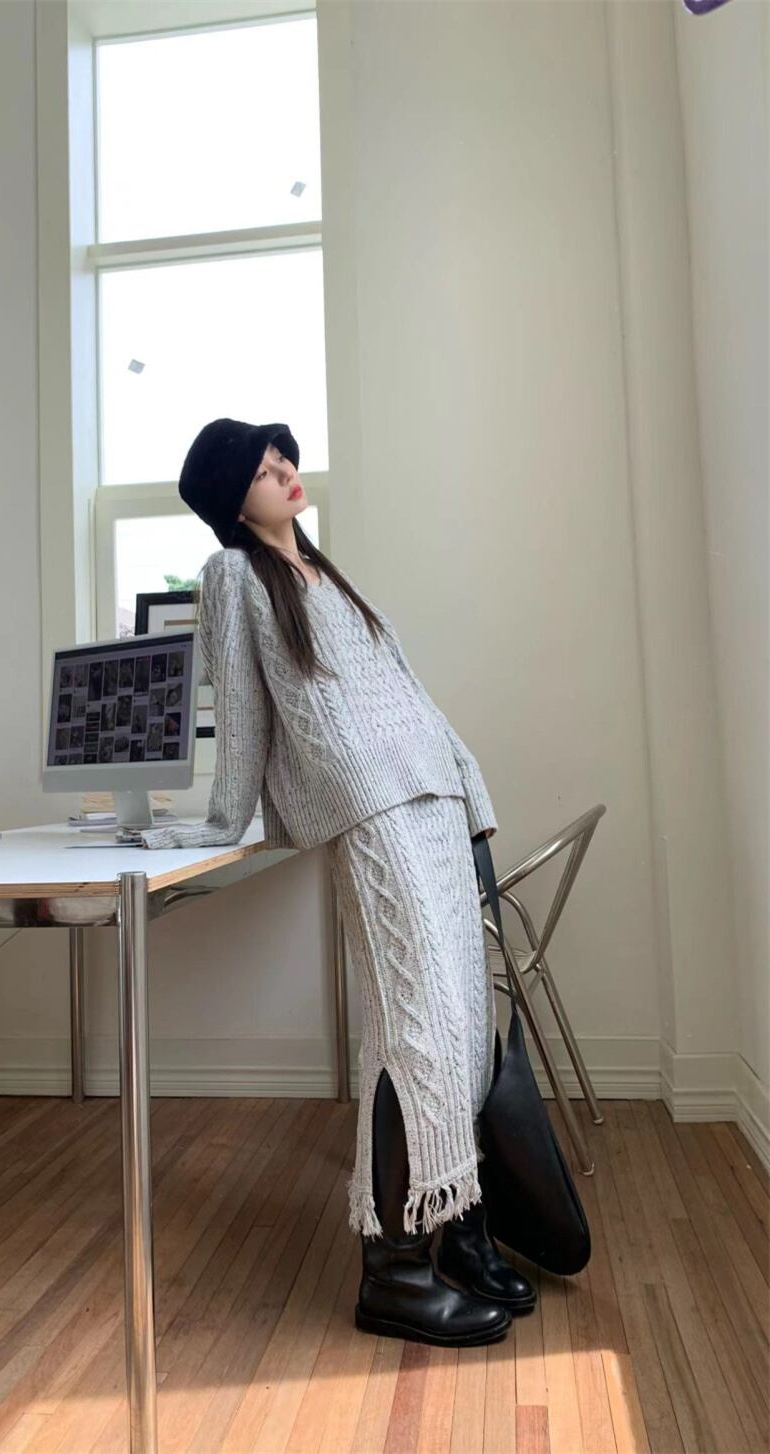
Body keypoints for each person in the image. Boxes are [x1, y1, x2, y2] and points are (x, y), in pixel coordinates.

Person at [137, 418, 537, 1346]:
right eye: (260, 466)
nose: (283, 467)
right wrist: (218, 823)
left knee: (463, 1028)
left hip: (435, 802)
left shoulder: (326, 571)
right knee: (413, 1031)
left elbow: (412, 697)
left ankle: (458, 1225)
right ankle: (393, 1272)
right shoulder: (234, 576)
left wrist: (473, 796)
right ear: (231, 501)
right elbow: (242, 715)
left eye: (282, 454)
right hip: (372, 811)